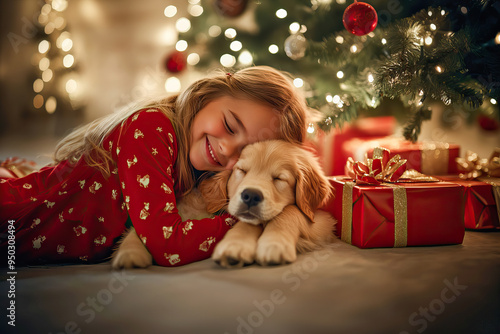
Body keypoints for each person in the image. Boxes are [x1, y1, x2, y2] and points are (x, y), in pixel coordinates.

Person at [0, 66, 312, 267]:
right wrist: (249, 221)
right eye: (230, 125)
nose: (227, 149)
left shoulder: (205, 168)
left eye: (244, 152)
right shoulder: (151, 127)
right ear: (211, 93)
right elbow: (166, 242)